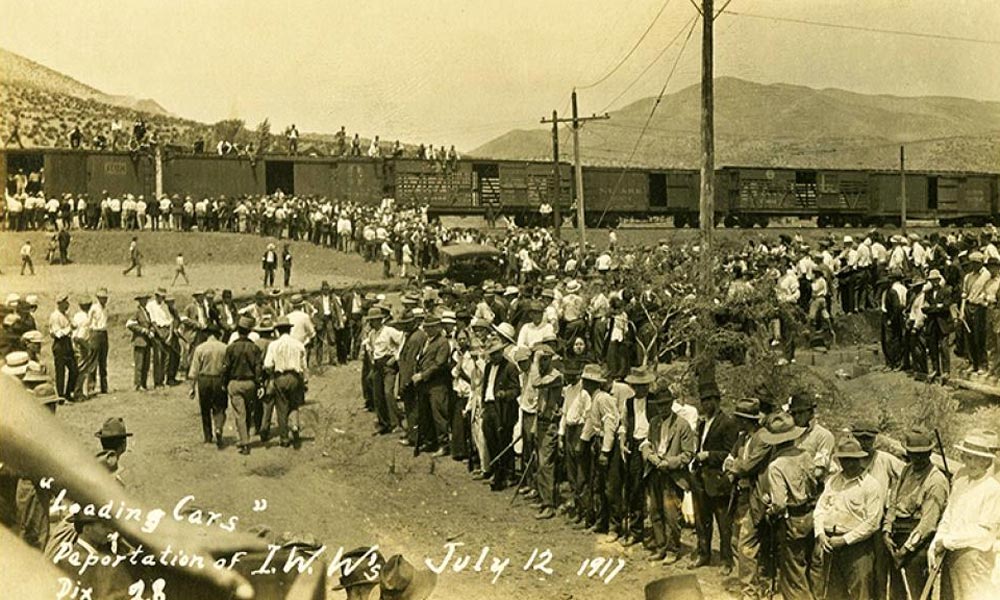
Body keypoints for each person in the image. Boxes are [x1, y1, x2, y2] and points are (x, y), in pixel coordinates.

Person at [929, 429, 1000, 600]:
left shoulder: (993, 489)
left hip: (974, 560)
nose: (972, 463)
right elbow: (948, 516)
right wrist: (936, 542)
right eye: (968, 457)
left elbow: (984, 534)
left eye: (979, 459)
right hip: (950, 556)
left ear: (987, 462)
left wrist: (947, 541)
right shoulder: (960, 483)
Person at [881, 427, 950, 600]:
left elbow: (928, 523)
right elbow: (894, 501)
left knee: (917, 593)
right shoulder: (906, 470)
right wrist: (887, 530)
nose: (917, 458)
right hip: (896, 538)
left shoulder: (936, 481)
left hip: (917, 543)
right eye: (913, 454)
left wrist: (905, 551)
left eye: (922, 454)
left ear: (930, 452)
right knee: (896, 593)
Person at [813, 436, 884, 600]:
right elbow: (820, 509)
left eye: (853, 460)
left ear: (860, 459)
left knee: (860, 592)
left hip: (857, 548)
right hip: (830, 544)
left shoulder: (870, 485)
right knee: (833, 593)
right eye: (844, 460)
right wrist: (820, 534)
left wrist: (845, 539)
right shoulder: (833, 481)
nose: (848, 464)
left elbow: (873, 522)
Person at [639, 378, 695, 565]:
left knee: (671, 515)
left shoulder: (682, 425)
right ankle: (660, 547)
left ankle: (673, 548)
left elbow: (688, 454)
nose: (661, 408)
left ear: (671, 404)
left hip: (672, 476)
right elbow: (647, 444)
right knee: (654, 512)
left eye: (665, 405)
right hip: (654, 472)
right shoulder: (654, 422)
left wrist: (669, 463)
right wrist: (651, 457)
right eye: (659, 405)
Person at [760, 412, 815, 600]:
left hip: (792, 520)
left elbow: (780, 504)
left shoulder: (776, 465)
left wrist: (770, 509)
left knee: (793, 572)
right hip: (811, 515)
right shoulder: (806, 455)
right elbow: (815, 483)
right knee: (810, 566)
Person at [689, 376, 739, 575]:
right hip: (701, 476)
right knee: (702, 520)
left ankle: (727, 561)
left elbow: (729, 452)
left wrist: (708, 455)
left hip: (718, 479)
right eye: (703, 400)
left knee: (723, 523)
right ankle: (704, 553)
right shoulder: (703, 423)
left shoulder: (727, 423)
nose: (706, 404)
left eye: (709, 400)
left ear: (717, 401)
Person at [263, 316, 309, 448]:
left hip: (280, 377)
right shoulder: (298, 344)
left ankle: (284, 438)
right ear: (289, 330)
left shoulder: (273, 345)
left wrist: (271, 375)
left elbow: (267, 365)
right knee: (294, 404)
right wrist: (305, 381)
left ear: (277, 331)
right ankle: (294, 425)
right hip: (295, 376)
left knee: (281, 407)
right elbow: (303, 366)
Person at [221, 316, 262, 455]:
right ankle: (246, 437)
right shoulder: (255, 348)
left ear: (238, 331)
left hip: (235, 383)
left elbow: (225, 368)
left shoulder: (231, 348)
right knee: (248, 411)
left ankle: (244, 442)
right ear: (249, 331)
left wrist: (224, 383)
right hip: (250, 383)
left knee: (240, 413)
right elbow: (258, 368)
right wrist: (259, 383)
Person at [414, 316, 452, 455]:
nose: (427, 330)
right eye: (426, 327)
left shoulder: (442, 343)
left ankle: (444, 444)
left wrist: (423, 375)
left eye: (430, 327)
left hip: (437, 383)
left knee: (439, 414)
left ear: (438, 327)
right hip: (425, 383)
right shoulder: (427, 341)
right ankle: (430, 441)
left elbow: (439, 363)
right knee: (426, 414)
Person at [188, 324, 229, 446]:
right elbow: (228, 367)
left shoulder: (200, 348)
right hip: (219, 379)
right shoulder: (225, 348)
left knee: (205, 408)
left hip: (204, 380)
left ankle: (208, 436)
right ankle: (219, 427)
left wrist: (192, 388)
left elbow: (194, 371)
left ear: (207, 334)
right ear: (218, 334)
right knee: (220, 406)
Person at [48, 294, 78, 402]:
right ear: (60, 304)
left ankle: (68, 393)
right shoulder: (55, 316)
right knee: (60, 371)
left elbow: (74, 325)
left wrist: (71, 324)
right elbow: (58, 334)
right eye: (65, 302)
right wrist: (69, 328)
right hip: (60, 344)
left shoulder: (65, 315)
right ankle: (60, 396)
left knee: (74, 370)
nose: (67, 304)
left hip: (67, 343)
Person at [126, 293, 154, 391]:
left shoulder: (147, 312)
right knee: (139, 364)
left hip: (147, 341)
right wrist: (142, 330)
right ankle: (138, 384)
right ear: (139, 301)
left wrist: (151, 331)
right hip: (139, 341)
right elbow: (129, 324)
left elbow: (149, 324)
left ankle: (143, 383)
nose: (145, 301)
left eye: (146, 299)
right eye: (143, 300)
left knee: (146, 364)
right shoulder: (137, 312)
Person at [89, 289, 110, 394]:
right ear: (98, 298)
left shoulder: (105, 308)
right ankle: (91, 386)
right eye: (102, 298)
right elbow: (89, 322)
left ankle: (104, 387)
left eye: (106, 298)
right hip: (96, 333)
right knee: (94, 360)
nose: (104, 300)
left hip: (103, 333)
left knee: (103, 361)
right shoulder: (94, 308)